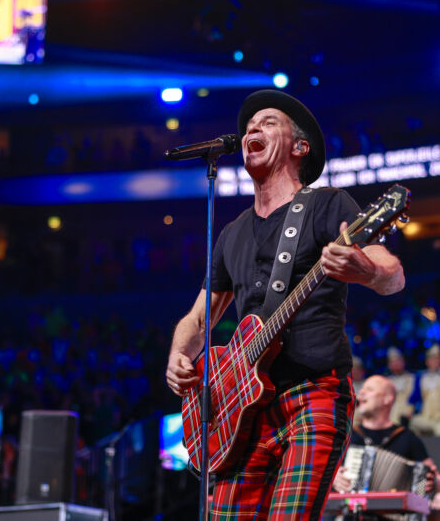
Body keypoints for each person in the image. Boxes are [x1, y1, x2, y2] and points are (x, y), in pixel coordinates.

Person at [165, 89, 405, 520]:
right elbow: (198, 321)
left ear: (300, 147)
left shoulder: (327, 204)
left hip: (312, 393)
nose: (252, 129)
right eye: (249, 126)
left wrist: (364, 269)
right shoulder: (232, 233)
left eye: (268, 122)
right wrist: (179, 357)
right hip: (240, 413)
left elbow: (393, 277)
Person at [332, 375, 440, 494]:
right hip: (350, 504)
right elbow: (321, 470)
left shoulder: (407, 438)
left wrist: (433, 482)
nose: (361, 393)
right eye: (361, 389)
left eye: (369, 389)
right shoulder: (345, 435)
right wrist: (333, 478)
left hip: (393, 506)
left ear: (387, 399)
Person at [408, 345, 440, 437]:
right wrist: (409, 410)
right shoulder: (421, 378)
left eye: (437, 358)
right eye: (432, 359)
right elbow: (414, 396)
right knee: (412, 424)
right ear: (427, 361)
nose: (435, 361)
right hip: (425, 417)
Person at [385, 346, 415, 426]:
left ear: (403, 362)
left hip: (409, 412)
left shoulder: (411, 378)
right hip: (391, 414)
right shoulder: (387, 382)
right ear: (389, 365)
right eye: (393, 362)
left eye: (398, 361)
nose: (396, 364)